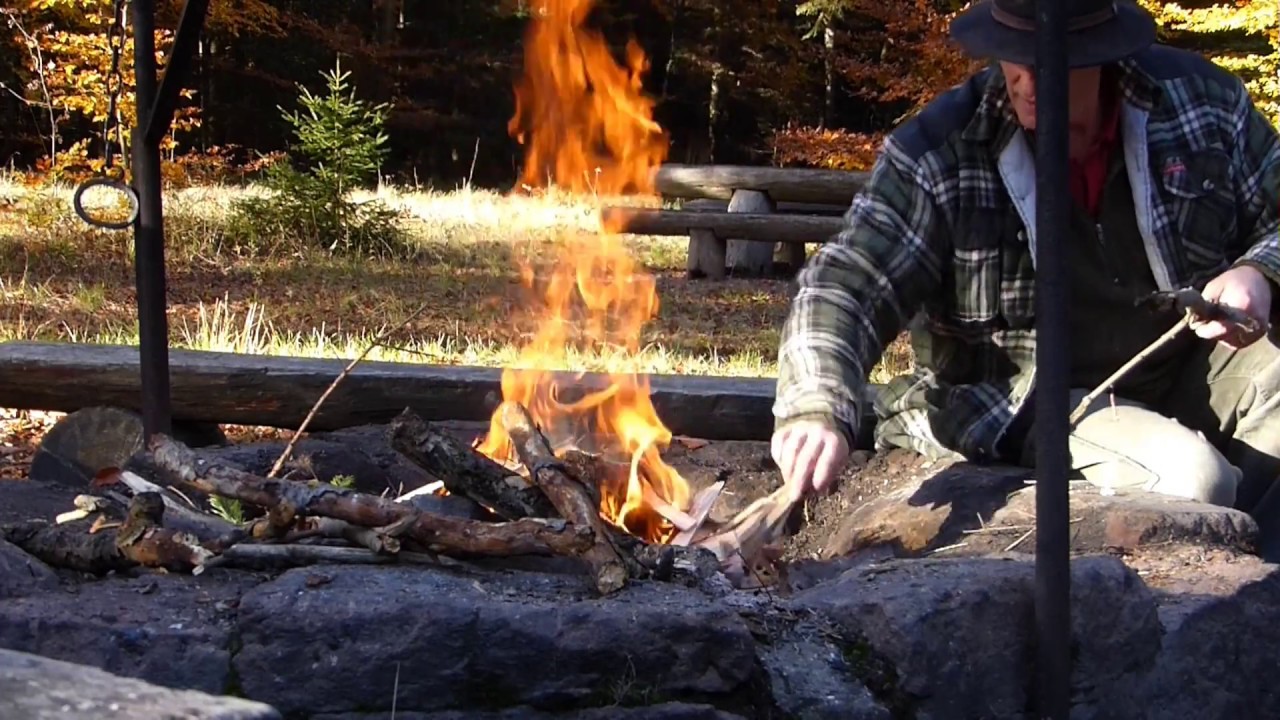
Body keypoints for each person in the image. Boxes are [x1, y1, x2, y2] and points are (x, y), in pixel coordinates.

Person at [769, 0, 1280, 544]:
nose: (1027, 81)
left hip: (1188, 369)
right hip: (1031, 399)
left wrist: (1260, 271)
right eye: (1013, 57)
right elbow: (847, 285)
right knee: (1194, 478)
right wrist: (817, 405)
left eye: (1052, 61)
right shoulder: (941, 152)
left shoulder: (1201, 105)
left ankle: (1256, 587)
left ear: (1102, 55)